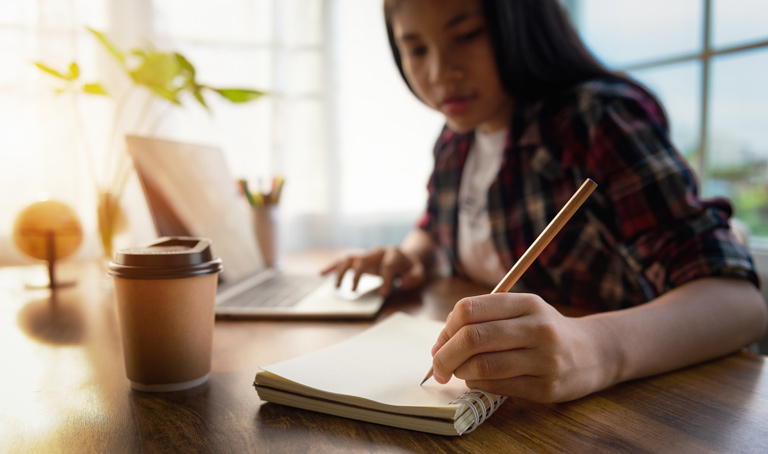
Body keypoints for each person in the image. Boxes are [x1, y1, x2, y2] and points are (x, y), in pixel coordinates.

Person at [321, 0, 767, 403]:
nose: (440, 72)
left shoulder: (597, 120)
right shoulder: (455, 142)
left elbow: (738, 303)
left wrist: (597, 348)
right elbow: (434, 227)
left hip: (648, 410)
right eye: (416, 49)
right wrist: (410, 256)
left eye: (467, 35)